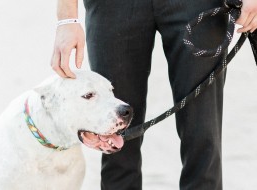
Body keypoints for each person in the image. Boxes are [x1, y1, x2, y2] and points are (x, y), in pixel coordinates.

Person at [51, 0, 257, 189]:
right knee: (114, 139)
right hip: (112, 7)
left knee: (202, 136)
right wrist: (67, 18)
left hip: (197, 4)